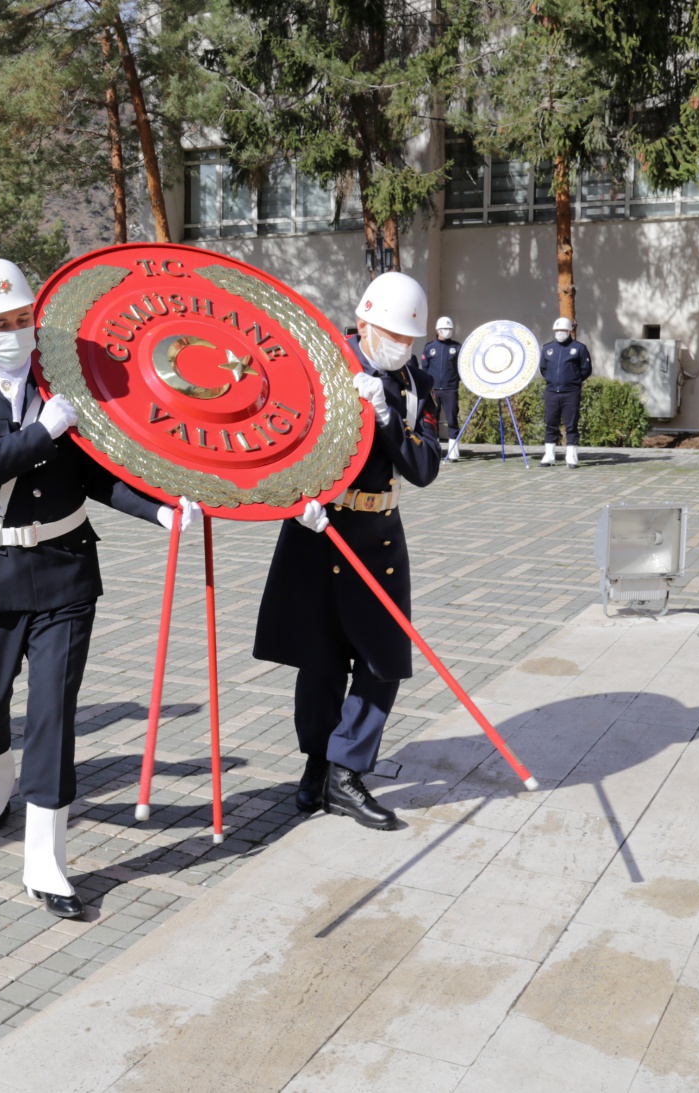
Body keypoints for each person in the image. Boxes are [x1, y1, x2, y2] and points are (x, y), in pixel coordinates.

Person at [0, 258, 198, 922]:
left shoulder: (63, 386)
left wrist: (159, 510)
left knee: (52, 714)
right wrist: (42, 430)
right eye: (0, 323)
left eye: (23, 320)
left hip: (66, 572)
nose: (15, 332)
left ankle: (45, 861)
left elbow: (98, 475)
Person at [253, 271, 442, 833]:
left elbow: (424, 466)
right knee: (320, 659)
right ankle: (316, 766)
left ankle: (346, 771)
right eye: (388, 334)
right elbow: (277, 438)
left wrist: (387, 418)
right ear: (362, 323)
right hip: (318, 528)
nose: (398, 346)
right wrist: (293, 499)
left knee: (382, 661)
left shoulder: (415, 385)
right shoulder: (322, 368)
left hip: (378, 531)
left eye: (408, 339)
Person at [540, 316, 590, 467]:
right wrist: (552, 380)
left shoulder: (579, 348)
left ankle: (571, 456)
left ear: (569, 331)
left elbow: (586, 370)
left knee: (571, 425)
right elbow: (543, 369)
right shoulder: (547, 348)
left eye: (562, 330)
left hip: (571, 393)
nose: (559, 333)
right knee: (550, 423)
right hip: (551, 392)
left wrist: (573, 382)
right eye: (557, 331)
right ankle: (549, 455)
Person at [421, 317, 462, 462]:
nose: (448, 331)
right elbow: (424, 369)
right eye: (445, 329)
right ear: (437, 330)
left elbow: (461, 368)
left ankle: (453, 453)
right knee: (433, 420)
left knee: (452, 419)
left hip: (450, 389)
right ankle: (434, 450)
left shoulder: (457, 347)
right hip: (433, 390)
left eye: (450, 329)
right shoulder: (429, 347)